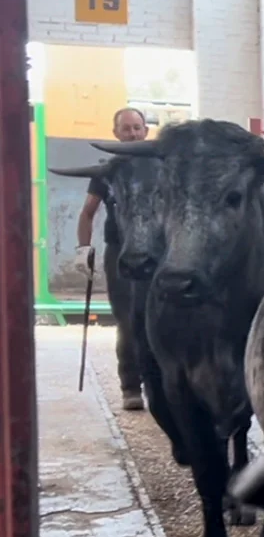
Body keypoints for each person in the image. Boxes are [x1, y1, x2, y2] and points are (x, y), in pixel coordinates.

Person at [75, 106, 148, 411]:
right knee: (128, 321)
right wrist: (83, 248)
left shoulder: (160, 169)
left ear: (146, 131)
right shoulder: (107, 172)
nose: (132, 133)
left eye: (137, 128)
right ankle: (130, 386)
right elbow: (88, 213)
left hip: (156, 252)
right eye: (126, 128)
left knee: (158, 318)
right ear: (115, 133)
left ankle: (161, 382)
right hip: (120, 253)